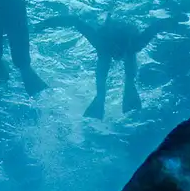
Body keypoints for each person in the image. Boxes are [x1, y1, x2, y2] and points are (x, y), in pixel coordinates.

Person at [34, 13, 180, 119]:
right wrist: (46, 23)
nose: (115, 56)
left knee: (129, 67)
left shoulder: (134, 43)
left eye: (117, 52)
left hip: (126, 41)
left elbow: (156, 27)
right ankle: (100, 96)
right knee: (104, 59)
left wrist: (174, 20)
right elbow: (74, 21)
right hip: (108, 39)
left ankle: (124, 89)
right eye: (114, 52)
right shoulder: (100, 41)